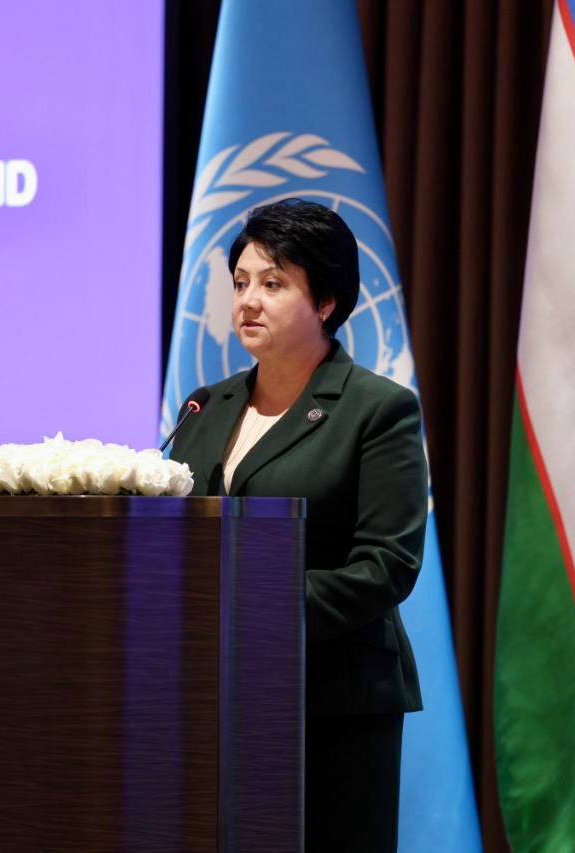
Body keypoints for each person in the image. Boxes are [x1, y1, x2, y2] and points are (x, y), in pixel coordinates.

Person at [170, 198, 426, 852]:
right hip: (216, 700)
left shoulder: (377, 410)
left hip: (334, 701)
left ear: (327, 302)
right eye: (240, 283)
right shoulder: (205, 407)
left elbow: (386, 566)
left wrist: (255, 604)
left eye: (273, 283)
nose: (248, 301)